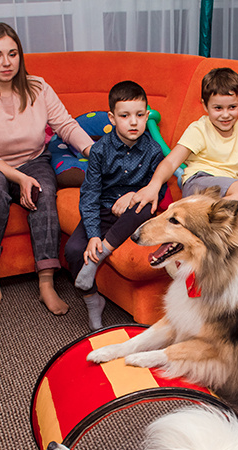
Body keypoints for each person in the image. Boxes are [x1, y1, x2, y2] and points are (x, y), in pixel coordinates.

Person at [0, 22, 93, 315]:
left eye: (12, 53)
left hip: (34, 159)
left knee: (44, 193)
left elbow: (66, 125)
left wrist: (93, 151)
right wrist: (18, 177)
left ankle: (46, 282)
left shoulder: (38, 87)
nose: (6, 63)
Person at [132, 67, 238, 244]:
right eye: (218, 108)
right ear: (205, 105)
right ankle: (205, 226)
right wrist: (153, 186)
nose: (226, 115)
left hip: (232, 198)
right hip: (200, 183)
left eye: (232, 107)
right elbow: (171, 162)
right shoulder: (199, 129)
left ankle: (218, 247)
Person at [64, 81, 167, 330]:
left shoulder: (153, 151)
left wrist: (133, 195)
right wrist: (92, 235)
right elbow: (89, 194)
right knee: (73, 249)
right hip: (103, 209)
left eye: (140, 115)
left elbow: (159, 189)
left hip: (134, 211)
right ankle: (92, 301)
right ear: (112, 117)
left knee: (145, 205)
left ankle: (101, 255)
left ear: (146, 116)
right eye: (125, 116)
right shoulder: (100, 150)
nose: (134, 122)